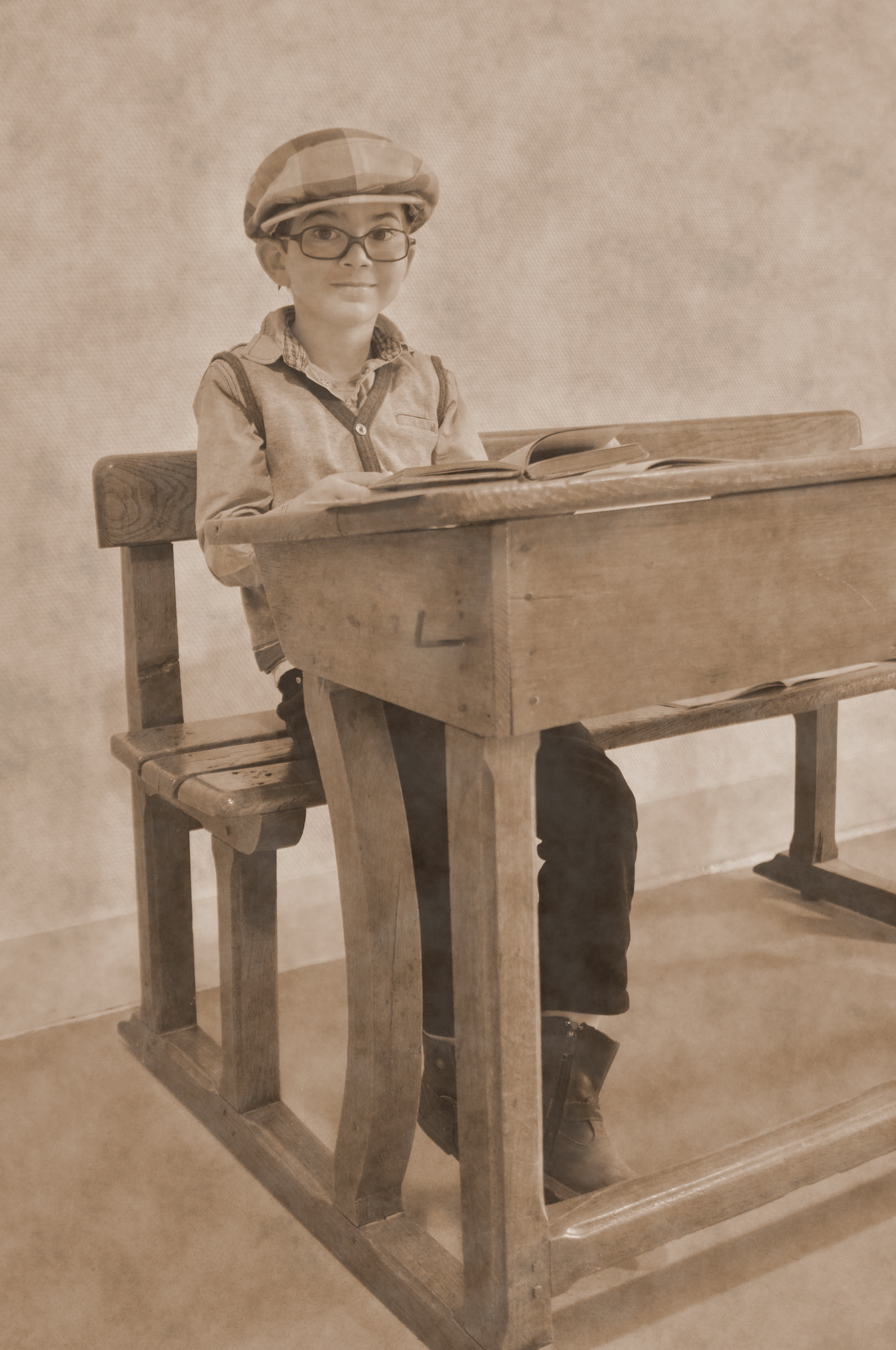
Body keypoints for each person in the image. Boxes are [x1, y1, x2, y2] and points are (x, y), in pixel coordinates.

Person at [194, 127, 639, 1200]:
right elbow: (224, 543)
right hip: (337, 673)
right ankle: (447, 1057)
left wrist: (508, 495)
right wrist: (316, 506)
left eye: (384, 236)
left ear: (408, 251)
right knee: (431, 822)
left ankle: (552, 1051)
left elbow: (474, 522)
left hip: (455, 657)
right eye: (326, 236)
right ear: (276, 258)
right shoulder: (238, 381)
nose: (359, 259)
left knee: (594, 801)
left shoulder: (429, 377)